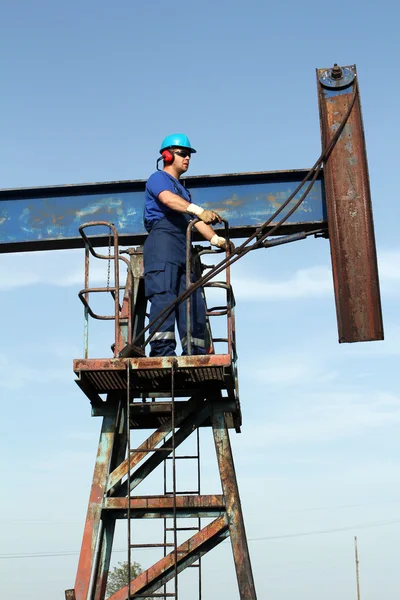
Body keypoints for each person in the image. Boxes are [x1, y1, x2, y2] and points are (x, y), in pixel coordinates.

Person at [143, 133, 232, 357]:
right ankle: (163, 352)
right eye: (182, 154)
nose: (187, 159)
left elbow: (194, 221)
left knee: (191, 300)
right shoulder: (158, 179)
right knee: (164, 295)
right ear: (166, 155)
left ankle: (195, 351)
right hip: (162, 243)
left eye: (189, 155)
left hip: (183, 247)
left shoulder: (183, 191)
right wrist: (198, 210)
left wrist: (216, 240)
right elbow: (168, 200)